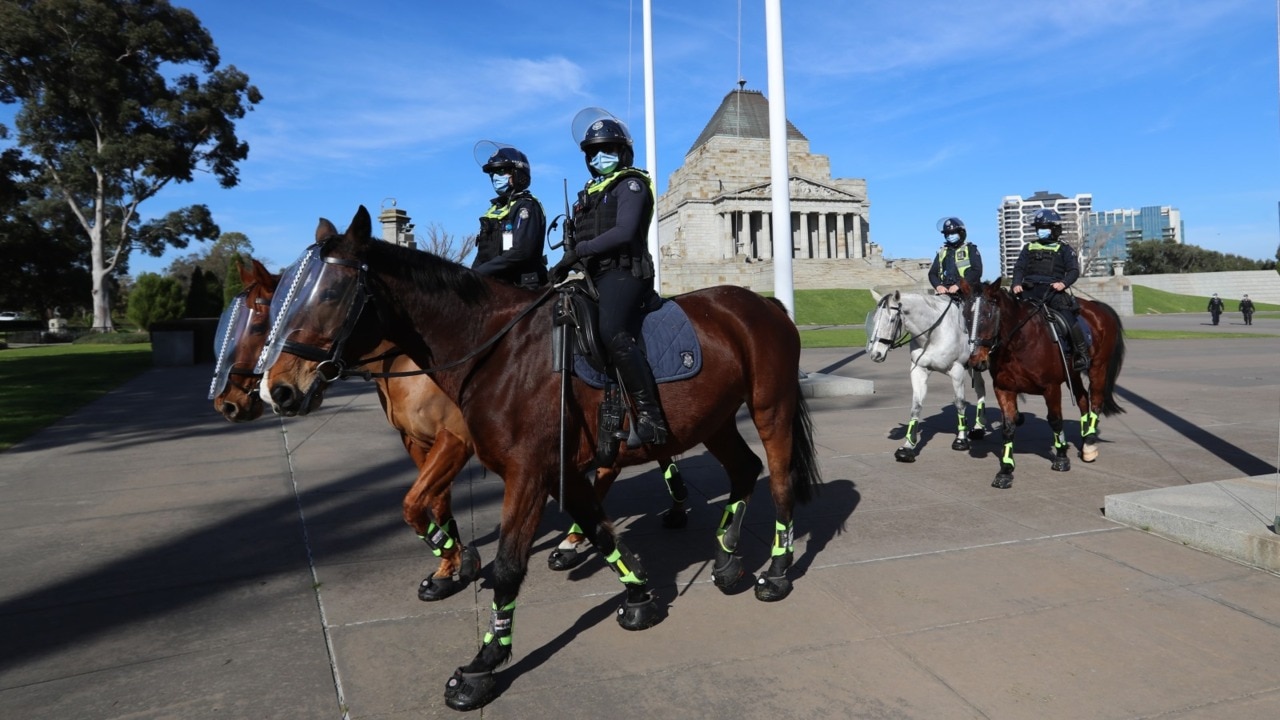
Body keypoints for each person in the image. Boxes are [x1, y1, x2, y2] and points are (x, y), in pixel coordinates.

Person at [552, 107, 668, 445]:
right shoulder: (589, 194)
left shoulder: (631, 185)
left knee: (611, 330)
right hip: (592, 275)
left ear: (623, 152)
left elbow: (624, 232)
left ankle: (651, 417)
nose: (601, 156)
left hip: (625, 273)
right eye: (594, 152)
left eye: (608, 150)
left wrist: (580, 251)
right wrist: (565, 263)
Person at [1011, 208, 1089, 372]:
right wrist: (1016, 283)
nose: (1041, 231)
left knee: (1069, 319)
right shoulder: (1029, 247)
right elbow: (1019, 268)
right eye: (1039, 228)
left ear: (1054, 229)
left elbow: (1074, 271)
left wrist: (1063, 283)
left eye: (1045, 228)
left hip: (1052, 291)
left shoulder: (1064, 248)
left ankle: (1081, 353)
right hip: (1028, 290)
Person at [471, 142, 547, 289]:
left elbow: (521, 251)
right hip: (496, 284)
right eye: (493, 173)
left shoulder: (526, 206)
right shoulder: (494, 210)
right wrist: (470, 274)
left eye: (501, 172)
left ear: (517, 174)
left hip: (523, 286)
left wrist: (480, 273)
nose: (495, 177)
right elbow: (482, 254)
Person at [928, 216, 983, 298]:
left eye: (953, 233)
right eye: (947, 234)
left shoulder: (970, 249)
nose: (950, 236)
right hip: (946, 292)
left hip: (967, 292)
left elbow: (977, 271)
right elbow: (932, 273)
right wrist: (938, 286)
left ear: (961, 233)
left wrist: (958, 285)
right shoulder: (942, 252)